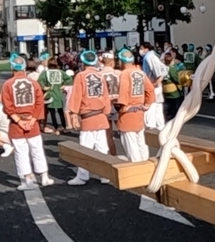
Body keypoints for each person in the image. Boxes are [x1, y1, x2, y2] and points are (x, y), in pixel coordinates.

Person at [0, 56, 53, 190]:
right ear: (24, 67)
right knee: (37, 149)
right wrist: (33, 119)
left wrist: (19, 121)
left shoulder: (7, 84)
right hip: (32, 121)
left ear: (12, 68)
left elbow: (7, 106)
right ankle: (45, 177)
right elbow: (40, 103)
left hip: (16, 123)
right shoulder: (33, 83)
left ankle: (27, 180)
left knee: (20, 151)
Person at [67, 50, 113, 185]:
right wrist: (106, 111)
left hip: (88, 116)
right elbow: (106, 96)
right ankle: (104, 174)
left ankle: (82, 176)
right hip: (101, 116)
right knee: (102, 148)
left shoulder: (81, 76)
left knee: (85, 148)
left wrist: (74, 114)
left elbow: (76, 96)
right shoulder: (100, 76)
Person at [115, 49, 153, 163]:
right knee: (140, 140)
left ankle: (136, 167)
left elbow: (124, 91)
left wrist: (122, 106)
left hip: (128, 111)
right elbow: (150, 89)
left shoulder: (125, 73)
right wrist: (147, 104)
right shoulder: (140, 72)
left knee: (130, 143)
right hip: (140, 110)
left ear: (121, 61)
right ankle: (145, 163)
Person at [138, 43, 167, 129]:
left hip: (152, 83)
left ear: (146, 48)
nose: (140, 50)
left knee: (151, 103)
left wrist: (157, 80)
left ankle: (150, 124)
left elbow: (157, 70)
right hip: (155, 83)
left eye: (141, 48)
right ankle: (160, 124)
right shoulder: (151, 56)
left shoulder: (150, 57)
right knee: (157, 104)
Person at [38, 58, 68, 134]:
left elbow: (39, 81)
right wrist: (63, 85)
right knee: (60, 111)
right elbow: (69, 79)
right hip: (58, 94)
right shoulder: (60, 72)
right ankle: (64, 126)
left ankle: (56, 128)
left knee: (52, 112)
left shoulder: (45, 73)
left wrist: (44, 87)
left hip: (50, 94)